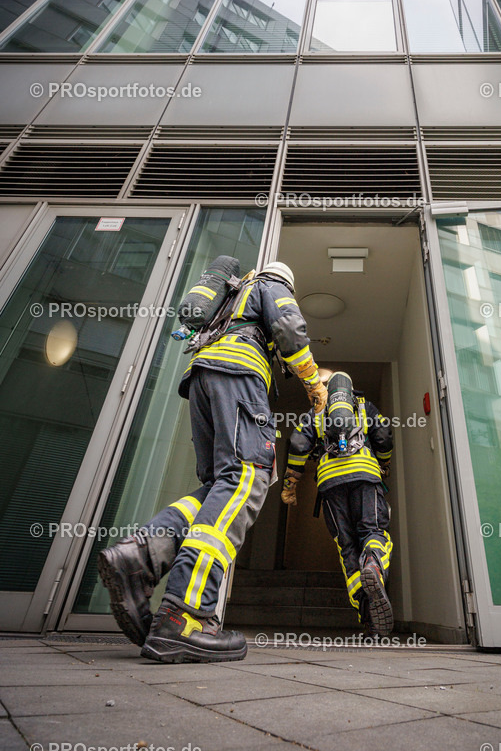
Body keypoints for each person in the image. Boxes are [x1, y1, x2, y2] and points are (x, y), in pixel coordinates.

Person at [98, 259, 327, 664]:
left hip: (202, 378)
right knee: (247, 477)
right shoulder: (270, 283)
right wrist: (312, 383)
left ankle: (140, 557)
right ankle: (184, 614)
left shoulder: (231, 294)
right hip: (237, 375)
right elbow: (289, 329)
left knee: (218, 488)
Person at [281, 369, 394, 636]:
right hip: (365, 473)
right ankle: (374, 564)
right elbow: (384, 435)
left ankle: (367, 616)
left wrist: (290, 483)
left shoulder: (317, 411)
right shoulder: (364, 406)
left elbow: (297, 444)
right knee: (373, 532)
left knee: (346, 546)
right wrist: (384, 462)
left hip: (330, 482)